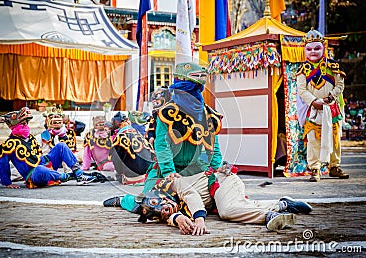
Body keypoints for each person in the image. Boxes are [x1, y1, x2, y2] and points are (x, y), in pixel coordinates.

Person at [105, 62, 224, 213]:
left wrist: (215, 169)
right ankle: (124, 200)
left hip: (196, 169)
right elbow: (162, 145)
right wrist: (169, 173)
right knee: (150, 205)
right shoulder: (166, 113)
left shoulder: (208, 114)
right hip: (166, 170)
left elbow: (214, 145)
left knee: (215, 198)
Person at [117, 167, 313, 234]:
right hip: (215, 200)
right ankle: (282, 204)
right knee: (229, 209)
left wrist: (199, 219)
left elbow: (191, 195)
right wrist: (176, 217)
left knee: (228, 211)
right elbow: (167, 216)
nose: (162, 211)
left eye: (158, 205)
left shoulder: (171, 183)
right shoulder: (161, 211)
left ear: (158, 196)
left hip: (220, 181)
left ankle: (269, 215)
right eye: (154, 213)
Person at [0, 105, 96, 188]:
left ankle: (79, 175)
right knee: (39, 170)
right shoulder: (9, 144)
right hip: (33, 175)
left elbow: (40, 157)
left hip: (45, 164)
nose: (25, 126)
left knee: (61, 146)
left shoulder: (30, 138)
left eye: (26, 123)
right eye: (23, 124)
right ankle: (68, 177)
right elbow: (3, 164)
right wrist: (7, 183)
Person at [297, 28, 349, 182]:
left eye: (317, 48)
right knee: (313, 139)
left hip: (331, 108)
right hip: (313, 110)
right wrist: (314, 101)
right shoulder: (302, 70)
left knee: (334, 138)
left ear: (324, 48)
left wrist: (330, 97)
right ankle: (315, 169)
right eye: (309, 49)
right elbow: (301, 89)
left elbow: (340, 84)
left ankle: (334, 167)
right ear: (305, 50)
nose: (313, 52)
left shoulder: (334, 67)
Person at [109, 111, 155, 185]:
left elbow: (116, 159)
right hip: (149, 173)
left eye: (112, 122)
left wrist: (120, 173)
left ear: (117, 122)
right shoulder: (137, 133)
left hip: (134, 176)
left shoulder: (120, 136)